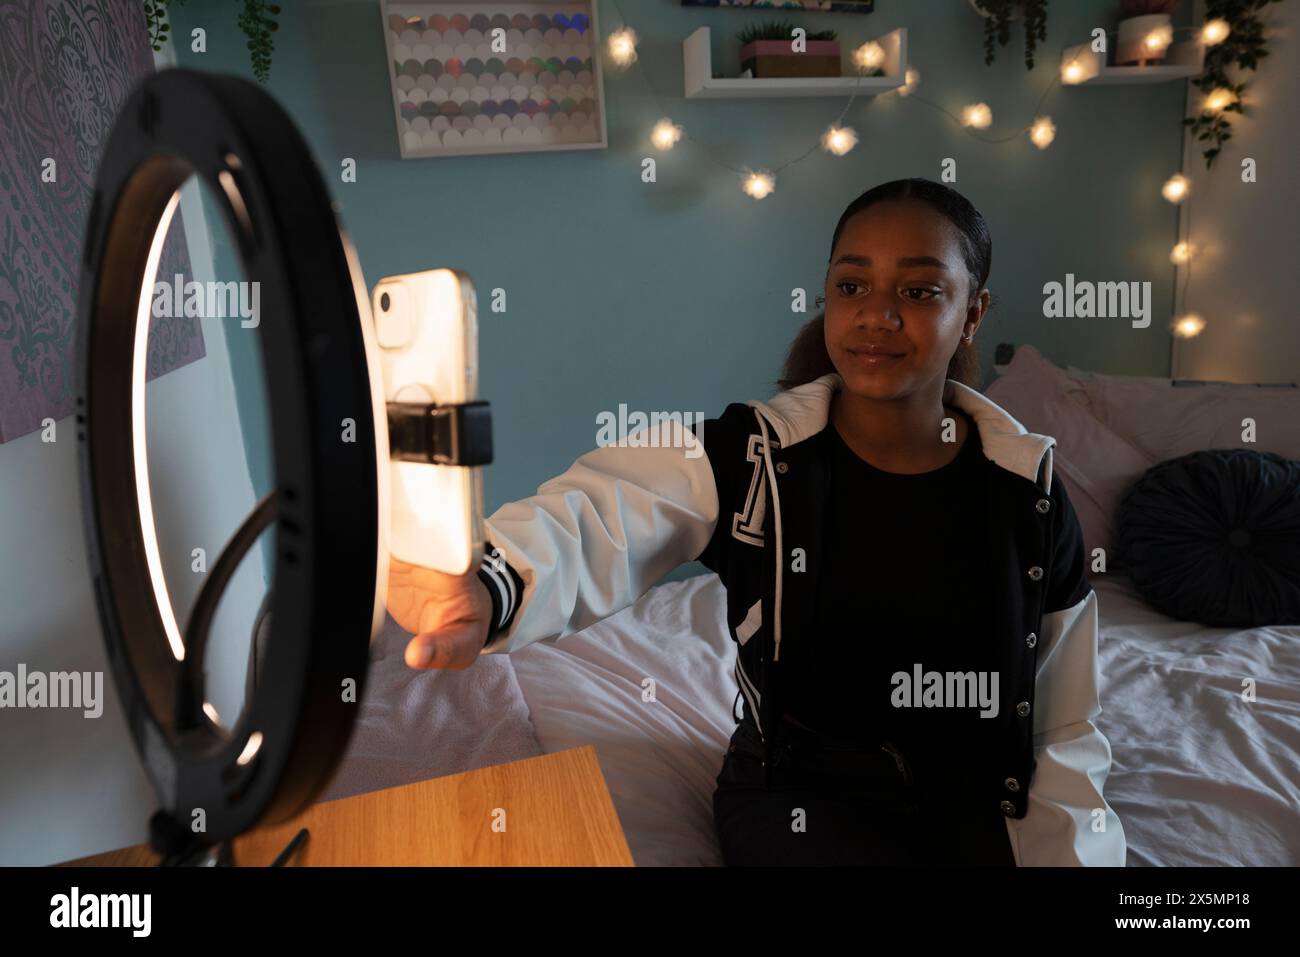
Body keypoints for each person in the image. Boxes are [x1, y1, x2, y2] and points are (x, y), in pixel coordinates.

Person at [387, 178, 1126, 867]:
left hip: (972, 796)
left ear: (974, 312)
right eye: (852, 284)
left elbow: (1062, 715)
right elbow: (597, 515)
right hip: (803, 798)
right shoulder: (753, 460)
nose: (877, 312)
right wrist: (486, 584)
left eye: (920, 289)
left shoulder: (1026, 489)